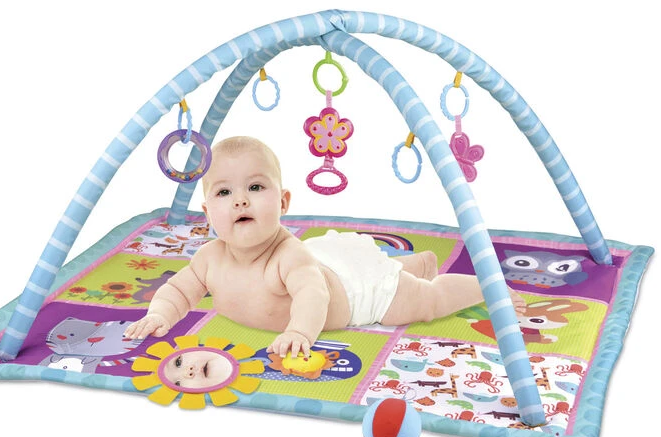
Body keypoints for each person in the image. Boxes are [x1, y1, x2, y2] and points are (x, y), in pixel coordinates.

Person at [124, 136, 526, 358]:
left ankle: (487, 288)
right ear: (207, 212)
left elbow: (313, 295)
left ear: (283, 202)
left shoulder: (287, 256)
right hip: (331, 261)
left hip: (359, 292)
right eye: (224, 192)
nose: (241, 200)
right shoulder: (208, 259)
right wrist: (160, 314)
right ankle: (415, 263)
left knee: (425, 301)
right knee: (383, 267)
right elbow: (178, 290)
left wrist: (299, 331)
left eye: (256, 187)